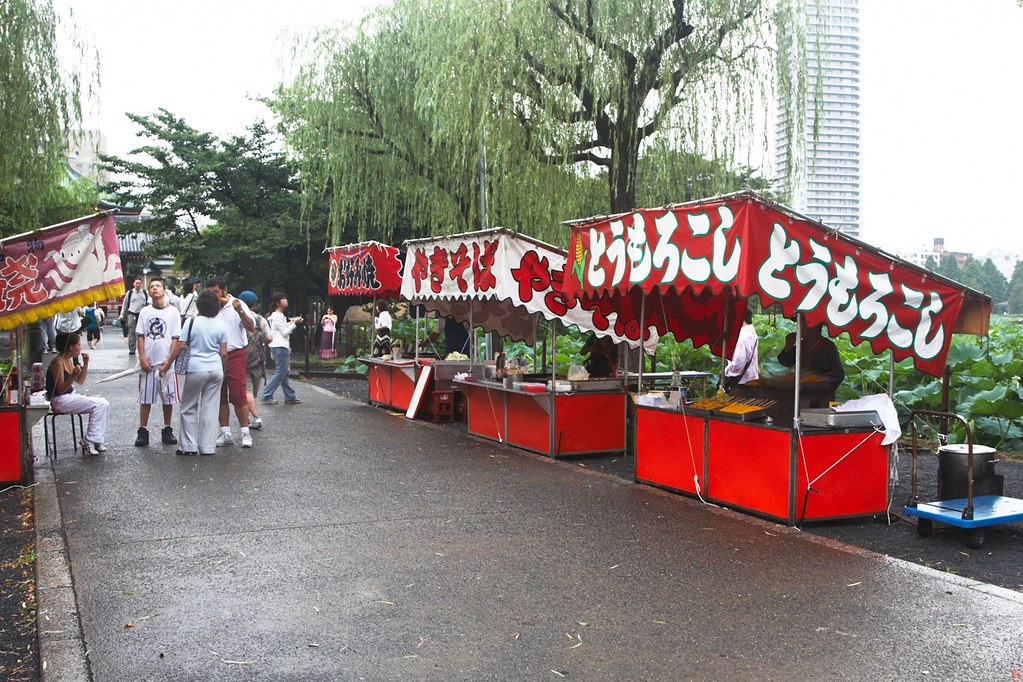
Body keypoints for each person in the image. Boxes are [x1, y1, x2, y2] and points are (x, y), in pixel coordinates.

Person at [160, 290, 228, 456]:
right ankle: (207, 447)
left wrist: (168, 363)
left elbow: (180, 345)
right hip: (216, 368)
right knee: (210, 408)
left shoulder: (191, 322)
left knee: (189, 407)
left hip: (196, 368)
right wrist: (222, 368)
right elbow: (224, 353)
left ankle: (188, 446)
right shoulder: (221, 324)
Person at [206, 277, 256, 448]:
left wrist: (240, 311)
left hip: (235, 353)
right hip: (214, 355)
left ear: (224, 290)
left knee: (238, 394)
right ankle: (225, 432)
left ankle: (245, 433)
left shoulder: (237, 304)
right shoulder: (208, 307)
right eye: (210, 292)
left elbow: (251, 327)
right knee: (219, 395)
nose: (213, 295)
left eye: (216, 292)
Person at [134, 278, 181, 447]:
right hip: (149, 362)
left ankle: (167, 428)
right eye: (151, 287)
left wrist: (169, 360)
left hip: (166, 363)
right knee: (145, 399)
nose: (155, 289)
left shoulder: (173, 312)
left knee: (168, 399)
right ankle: (143, 430)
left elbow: (176, 337)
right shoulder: (145, 312)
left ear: (164, 290)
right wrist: (142, 358)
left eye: (158, 286)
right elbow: (140, 335)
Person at [46, 332, 110, 456]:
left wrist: (85, 364)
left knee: (103, 403)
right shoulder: (58, 363)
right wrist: (73, 375)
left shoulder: (67, 360)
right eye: (78, 345)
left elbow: (80, 381)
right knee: (100, 404)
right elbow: (60, 388)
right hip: (60, 400)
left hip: (68, 397)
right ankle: (89, 440)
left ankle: (96, 439)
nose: (80, 348)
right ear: (70, 347)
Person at [777, 316, 845, 402]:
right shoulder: (801, 346)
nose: (798, 328)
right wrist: (788, 346)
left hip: (820, 398)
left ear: (812, 325)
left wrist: (820, 382)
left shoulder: (827, 347)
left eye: (801, 325)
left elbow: (839, 374)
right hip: (801, 395)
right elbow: (785, 362)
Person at [261, 292, 303, 405]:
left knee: (284, 372)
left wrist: (293, 322)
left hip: (279, 345)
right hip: (280, 346)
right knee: (281, 372)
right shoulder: (278, 316)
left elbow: (283, 330)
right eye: (283, 299)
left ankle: (290, 396)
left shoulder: (278, 316)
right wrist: (294, 324)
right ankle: (267, 395)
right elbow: (284, 333)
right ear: (277, 302)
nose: (286, 300)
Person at [239, 290, 271, 430]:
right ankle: (255, 417)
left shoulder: (237, 318)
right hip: (257, 359)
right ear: (255, 304)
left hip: (241, 358)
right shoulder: (260, 320)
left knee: (247, 391)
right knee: (253, 391)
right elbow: (269, 338)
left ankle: (253, 417)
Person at [722, 308, 759, 391]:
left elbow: (739, 361)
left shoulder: (742, 336)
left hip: (740, 383)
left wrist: (725, 371)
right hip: (752, 379)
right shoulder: (752, 333)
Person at [119, 277, 149, 356]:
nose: (138, 285)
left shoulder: (145, 293)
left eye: (139, 283)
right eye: (136, 283)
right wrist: (122, 314)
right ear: (134, 284)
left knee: (143, 331)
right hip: (132, 313)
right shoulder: (130, 293)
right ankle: (132, 349)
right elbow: (125, 304)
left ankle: (143, 348)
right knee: (131, 331)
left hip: (142, 314)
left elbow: (148, 303)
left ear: (142, 284)